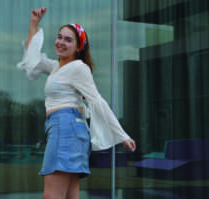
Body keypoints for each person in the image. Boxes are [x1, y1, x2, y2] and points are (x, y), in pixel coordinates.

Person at [17, 7, 136, 199]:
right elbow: (32, 58)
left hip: (65, 128)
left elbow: (98, 102)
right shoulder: (57, 66)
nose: (61, 42)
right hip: (71, 130)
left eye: (68, 40)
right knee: (70, 195)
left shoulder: (78, 68)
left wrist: (122, 136)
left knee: (53, 195)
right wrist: (34, 23)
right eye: (60, 37)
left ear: (79, 47)